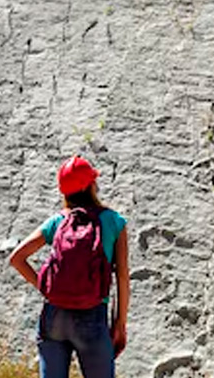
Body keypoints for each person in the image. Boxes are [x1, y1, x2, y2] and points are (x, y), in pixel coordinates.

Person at [8, 155, 130, 378]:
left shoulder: (58, 221)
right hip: (92, 316)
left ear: (64, 191)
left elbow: (17, 258)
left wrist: (45, 288)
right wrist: (119, 323)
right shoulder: (114, 221)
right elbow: (122, 277)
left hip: (53, 315)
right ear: (92, 185)